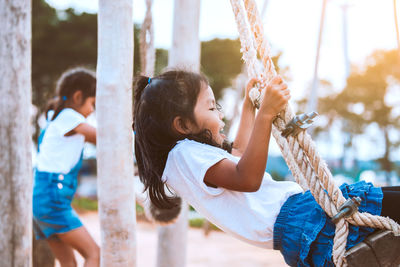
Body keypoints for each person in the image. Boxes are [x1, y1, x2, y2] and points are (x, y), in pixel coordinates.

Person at [133, 69, 400, 266]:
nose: (221, 114)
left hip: (304, 219)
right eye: (212, 107)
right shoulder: (184, 156)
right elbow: (248, 178)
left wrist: (250, 107)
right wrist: (266, 115)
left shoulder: (188, 158)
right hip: (305, 219)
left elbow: (239, 154)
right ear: (183, 125)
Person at [33, 67, 99, 267]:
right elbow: (102, 137)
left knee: (68, 263)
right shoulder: (69, 116)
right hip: (53, 199)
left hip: (42, 198)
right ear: (78, 97)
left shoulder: (55, 117)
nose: (92, 111)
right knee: (94, 254)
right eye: (92, 104)